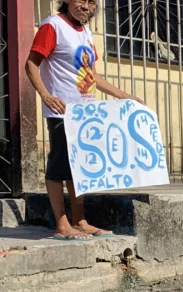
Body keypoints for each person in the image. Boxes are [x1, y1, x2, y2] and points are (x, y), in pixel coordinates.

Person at [25, 0, 143, 241]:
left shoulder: (86, 33)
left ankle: (80, 221)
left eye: (91, 2)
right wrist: (46, 96)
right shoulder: (53, 26)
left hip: (86, 115)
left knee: (80, 169)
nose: (85, 6)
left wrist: (124, 96)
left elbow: (92, 76)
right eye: (81, 0)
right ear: (67, 1)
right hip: (62, 112)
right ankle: (61, 224)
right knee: (59, 167)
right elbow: (31, 64)